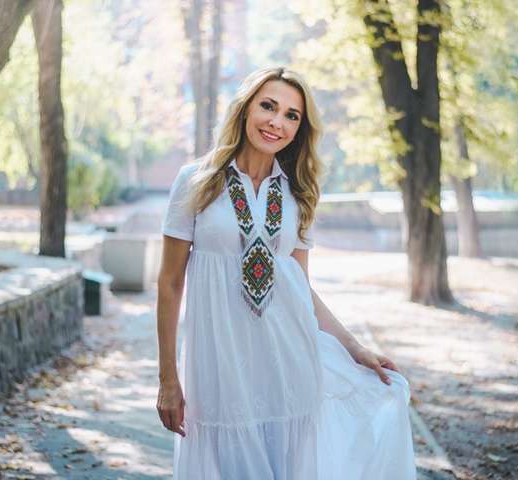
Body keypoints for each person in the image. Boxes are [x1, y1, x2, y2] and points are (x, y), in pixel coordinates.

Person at [156, 66, 417, 479]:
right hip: (219, 368)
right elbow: (170, 284)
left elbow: (300, 286)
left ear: (299, 129)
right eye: (268, 106)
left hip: (289, 366)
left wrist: (354, 347)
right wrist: (168, 379)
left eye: (291, 115)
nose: (277, 122)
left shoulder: (298, 193)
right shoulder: (196, 181)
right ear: (245, 108)